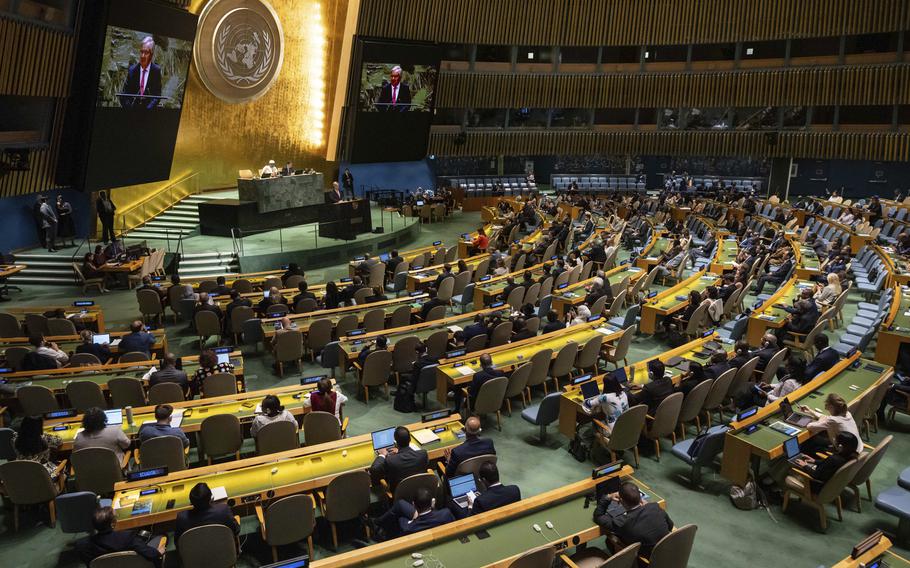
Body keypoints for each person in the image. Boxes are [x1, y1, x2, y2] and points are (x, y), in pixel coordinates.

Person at [593, 481, 674, 559]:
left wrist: (608, 497)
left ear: (621, 501)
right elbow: (670, 526)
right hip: (669, 552)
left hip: (647, 561)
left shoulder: (622, 522)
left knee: (609, 540)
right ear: (640, 497)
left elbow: (598, 516)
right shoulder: (654, 507)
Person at [76, 507, 165, 567]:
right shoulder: (128, 537)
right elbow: (152, 554)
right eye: (116, 517)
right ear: (112, 524)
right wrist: (158, 552)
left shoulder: (82, 546)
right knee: (163, 535)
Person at [784, 432, 860, 494]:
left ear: (840, 446)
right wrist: (814, 461)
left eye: (836, 441)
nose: (834, 441)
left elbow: (815, 475)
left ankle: (781, 493)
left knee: (789, 471)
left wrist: (805, 466)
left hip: (817, 487)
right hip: (832, 485)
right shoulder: (851, 455)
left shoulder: (834, 459)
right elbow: (828, 465)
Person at [375, 487, 453, 540]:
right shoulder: (446, 513)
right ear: (432, 502)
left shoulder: (407, 527)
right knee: (401, 504)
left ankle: (377, 523)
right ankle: (377, 522)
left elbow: (402, 519)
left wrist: (414, 519)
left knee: (399, 508)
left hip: (415, 525)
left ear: (413, 505)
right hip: (425, 519)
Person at [174, 483, 240, 545]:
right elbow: (236, 530)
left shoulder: (182, 518)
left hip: (195, 555)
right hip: (223, 553)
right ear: (210, 499)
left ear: (191, 502)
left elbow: (178, 543)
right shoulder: (223, 510)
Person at [369, 426, 428, 490]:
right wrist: (400, 452)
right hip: (421, 491)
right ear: (410, 439)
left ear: (396, 442)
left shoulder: (390, 460)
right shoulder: (423, 454)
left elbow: (374, 470)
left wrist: (382, 455)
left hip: (401, 495)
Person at [120, 36, 162, 109]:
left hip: (148, 112)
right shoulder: (132, 70)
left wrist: (147, 110)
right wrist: (129, 109)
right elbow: (124, 94)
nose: (142, 56)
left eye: (146, 53)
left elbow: (157, 96)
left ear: (151, 54)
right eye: (141, 52)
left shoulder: (156, 71)